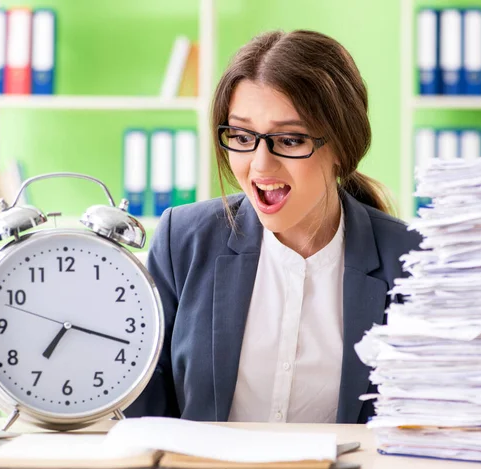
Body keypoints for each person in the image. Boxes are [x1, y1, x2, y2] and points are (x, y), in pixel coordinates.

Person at [126, 30, 421, 424]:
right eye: (243, 136)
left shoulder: (411, 261)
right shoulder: (183, 240)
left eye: (290, 139)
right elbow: (141, 404)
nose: (261, 165)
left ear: (341, 146)